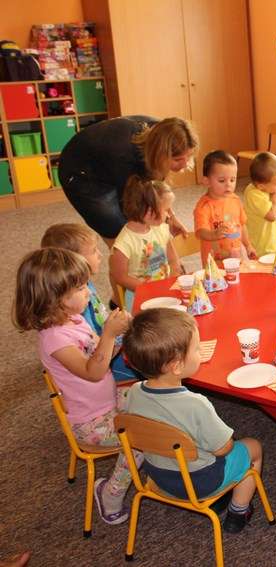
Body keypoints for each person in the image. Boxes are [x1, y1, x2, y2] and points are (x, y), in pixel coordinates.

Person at [13, 248, 138, 525]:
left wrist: (120, 334)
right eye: (81, 288)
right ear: (55, 299)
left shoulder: (74, 319)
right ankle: (110, 493)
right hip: (90, 422)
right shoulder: (55, 339)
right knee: (142, 437)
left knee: (150, 396)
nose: (89, 292)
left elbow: (100, 354)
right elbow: (94, 372)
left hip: (107, 402)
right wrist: (109, 333)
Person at [123, 308, 264, 533]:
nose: (200, 352)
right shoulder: (196, 404)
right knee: (252, 447)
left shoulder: (133, 392)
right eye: (197, 349)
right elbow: (223, 448)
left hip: (159, 477)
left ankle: (221, 498)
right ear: (177, 366)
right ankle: (238, 511)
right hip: (201, 482)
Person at [59, 116, 197, 246]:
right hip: (80, 172)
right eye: (178, 159)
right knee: (118, 231)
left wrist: (171, 219)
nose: (185, 164)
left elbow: (156, 191)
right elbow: (133, 207)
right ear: (159, 153)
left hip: (109, 157)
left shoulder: (165, 133)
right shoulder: (124, 157)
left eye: (188, 157)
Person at [41, 223, 137, 381]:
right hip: (104, 361)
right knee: (154, 360)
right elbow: (92, 356)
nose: (100, 254)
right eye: (93, 251)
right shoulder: (75, 310)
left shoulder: (81, 291)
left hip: (107, 345)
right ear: (73, 261)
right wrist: (112, 333)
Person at [110, 177, 181, 309]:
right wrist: (150, 288)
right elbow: (120, 277)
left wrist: (172, 279)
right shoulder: (124, 243)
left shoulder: (161, 228)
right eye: (166, 210)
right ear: (149, 212)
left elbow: (173, 260)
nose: (169, 215)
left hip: (165, 289)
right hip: (140, 297)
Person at [194, 151, 257, 264]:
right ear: (207, 181)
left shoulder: (235, 199)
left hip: (237, 256)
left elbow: (242, 225)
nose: (228, 184)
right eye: (222, 181)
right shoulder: (204, 206)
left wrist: (248, 245)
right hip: (215, 263)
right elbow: (200, 232)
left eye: (232, 180)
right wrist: (213, 234)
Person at [244, 152, 276, 257]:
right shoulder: (254, 195)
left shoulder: (265, 189)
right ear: (261, 186)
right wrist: (275, 199)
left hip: (273, 242)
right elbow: (271, 216)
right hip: (263, 247)